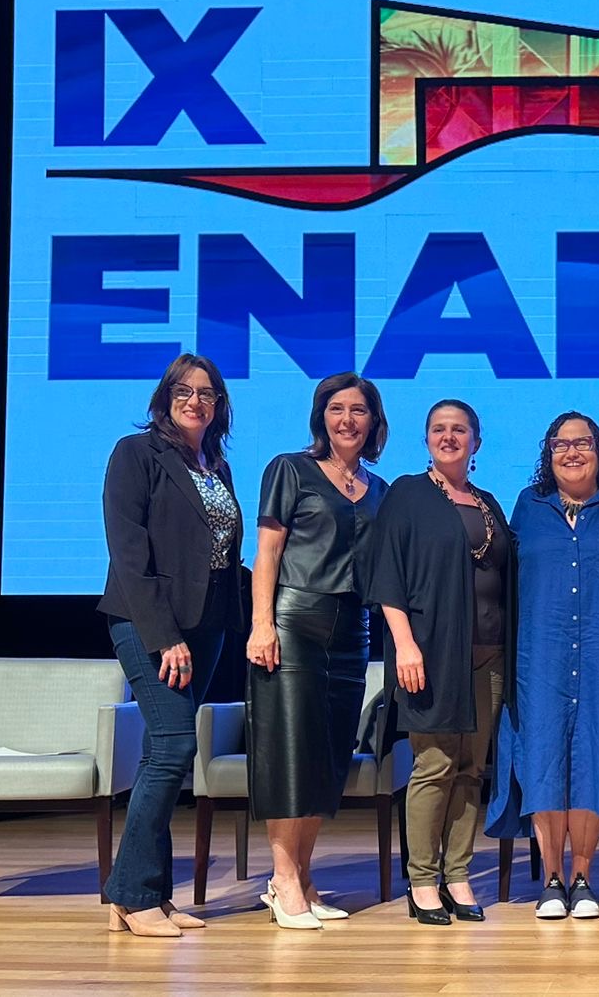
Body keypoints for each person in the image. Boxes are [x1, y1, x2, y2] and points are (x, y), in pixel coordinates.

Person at [98, 354, 243, 937]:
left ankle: (149, 894)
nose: (195, 401)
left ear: (219, 405)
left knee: (164, 750)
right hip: (147, 623)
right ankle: (132, 896)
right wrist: (164, 638)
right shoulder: (136, 454)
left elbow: (221, 556)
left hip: (206, 625)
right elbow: (129, 554)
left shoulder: (216, 466)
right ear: (165, 398)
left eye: (206, 393)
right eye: (183, 391)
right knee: (175, 746)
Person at [245, 372, 390, 929]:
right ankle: (283, 879)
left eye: (358, 410)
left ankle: (303, 877)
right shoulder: (291, 469)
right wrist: (262, 625)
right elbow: (267, 551)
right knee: (290, 753)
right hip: (294, 621)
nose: (347, 419)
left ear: (374, 422)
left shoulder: (378, 488)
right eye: (336, 409)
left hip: (353, 629)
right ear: (321, 417)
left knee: (328, 758)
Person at [486, 412, 599, 920]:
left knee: (596, 759)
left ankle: (583, 878)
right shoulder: (528, 507)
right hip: (541, 659)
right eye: (560, 444)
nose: (572, 452)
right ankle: (552, 878)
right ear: (548, 454)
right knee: (543, 759)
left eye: (583, 443)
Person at [369, 400, 514, 926]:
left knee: (471, 770)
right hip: (430, 655)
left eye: (459, 429)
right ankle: (423, 881)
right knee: (434, 766)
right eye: (438, 429)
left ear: (476, 441)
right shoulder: (408, 494)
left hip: (489, 656)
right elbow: (387, 574)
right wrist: (405, 644)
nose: (448, 437)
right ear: (427, 438)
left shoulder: (487, 502)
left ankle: (458, 874)